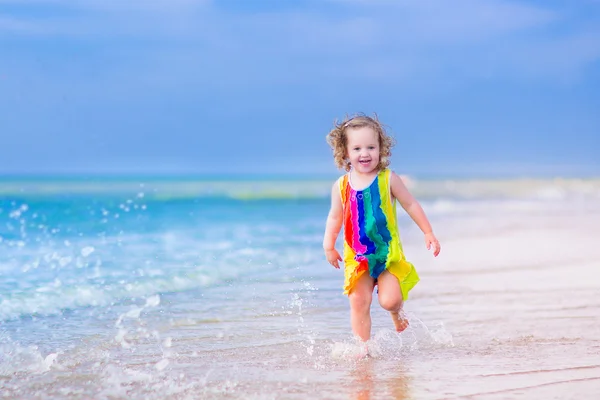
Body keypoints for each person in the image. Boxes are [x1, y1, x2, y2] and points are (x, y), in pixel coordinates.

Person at [323, 114, 441, 342]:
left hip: (386, 254)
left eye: (371, 147)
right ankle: (362, 348)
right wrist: (329, 245)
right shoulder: (341, 186)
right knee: (358, 302)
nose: (364, 153)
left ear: (381, 149)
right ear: (345, 152)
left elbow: (410, 204)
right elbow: (334, 217)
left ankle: (397, 312)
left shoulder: (388, 179)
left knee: (390, 301)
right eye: (357, 148)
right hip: (356, 257)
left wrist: (428, 232)